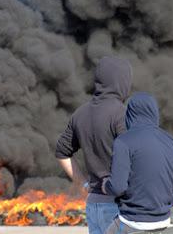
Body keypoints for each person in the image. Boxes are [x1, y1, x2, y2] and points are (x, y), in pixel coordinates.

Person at [55, 56, 132, 234]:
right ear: (122, 81)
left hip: (93, 205)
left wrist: (83, 185)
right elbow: (134, 156)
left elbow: (61, 152)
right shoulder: (122, 114)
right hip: (118, 207)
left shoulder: (80, 113)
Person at [103, 92, 173, 234]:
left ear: (129, 114)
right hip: (162, 222)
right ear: (154, 113)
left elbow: (117, 188)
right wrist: (157, 205)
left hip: (131, 222)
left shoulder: (123, 142)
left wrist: (106, 185)